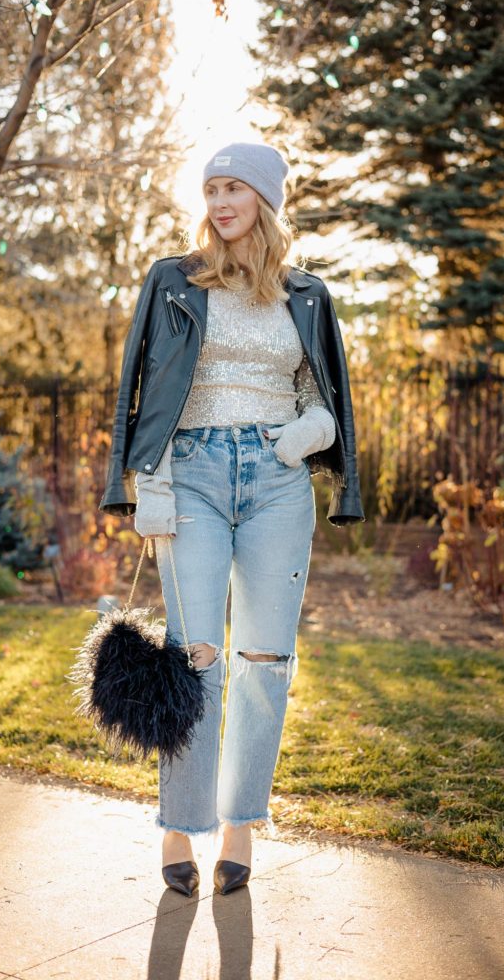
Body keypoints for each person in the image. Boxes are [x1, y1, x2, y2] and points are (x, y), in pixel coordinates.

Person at [99, 141, 365, 897]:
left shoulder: (306, 295)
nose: (220, 203)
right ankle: (180, 830)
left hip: (280, 484)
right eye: (211, 188)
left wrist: (308, 434)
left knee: (264, 663)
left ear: (265, 200)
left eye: (235, 189)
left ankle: (242, 825)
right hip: (194, 477)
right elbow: (139, 386)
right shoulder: (174, 281)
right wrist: (144, 481)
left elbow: (326, 399)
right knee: (197, 654)